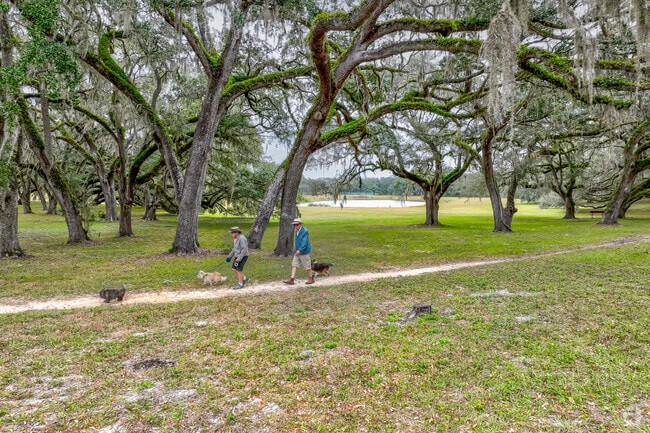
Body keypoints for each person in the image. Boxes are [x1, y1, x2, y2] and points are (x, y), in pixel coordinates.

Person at [283, 217, 315, 285]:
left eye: (297, 224)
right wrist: (296, 250)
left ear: (300, 224)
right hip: (297, 251)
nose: (295, 226)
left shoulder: (305, 231)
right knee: (294, 264)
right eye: (294, 225)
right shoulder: (297, 231)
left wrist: (300, 250)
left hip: (304, 251)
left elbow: (304, 242)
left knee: (307, 265)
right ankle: (292, 279)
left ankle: (311, 278)